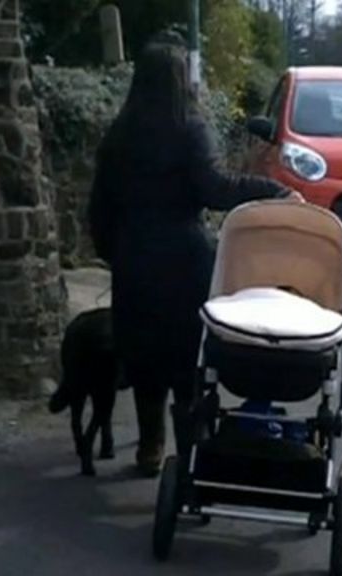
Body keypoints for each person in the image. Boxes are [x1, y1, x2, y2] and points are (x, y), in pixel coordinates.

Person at [88, 35, 299, 477]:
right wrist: (272, 190)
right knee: (186, 359)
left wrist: (115, 253)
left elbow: (99, 206)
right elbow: (216, 189)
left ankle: (149, 447)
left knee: (144, 356)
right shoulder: (190, 129)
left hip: (135, 258)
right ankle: (187, 456)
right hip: (184, 259)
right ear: (181, 80)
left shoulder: (119, 134)